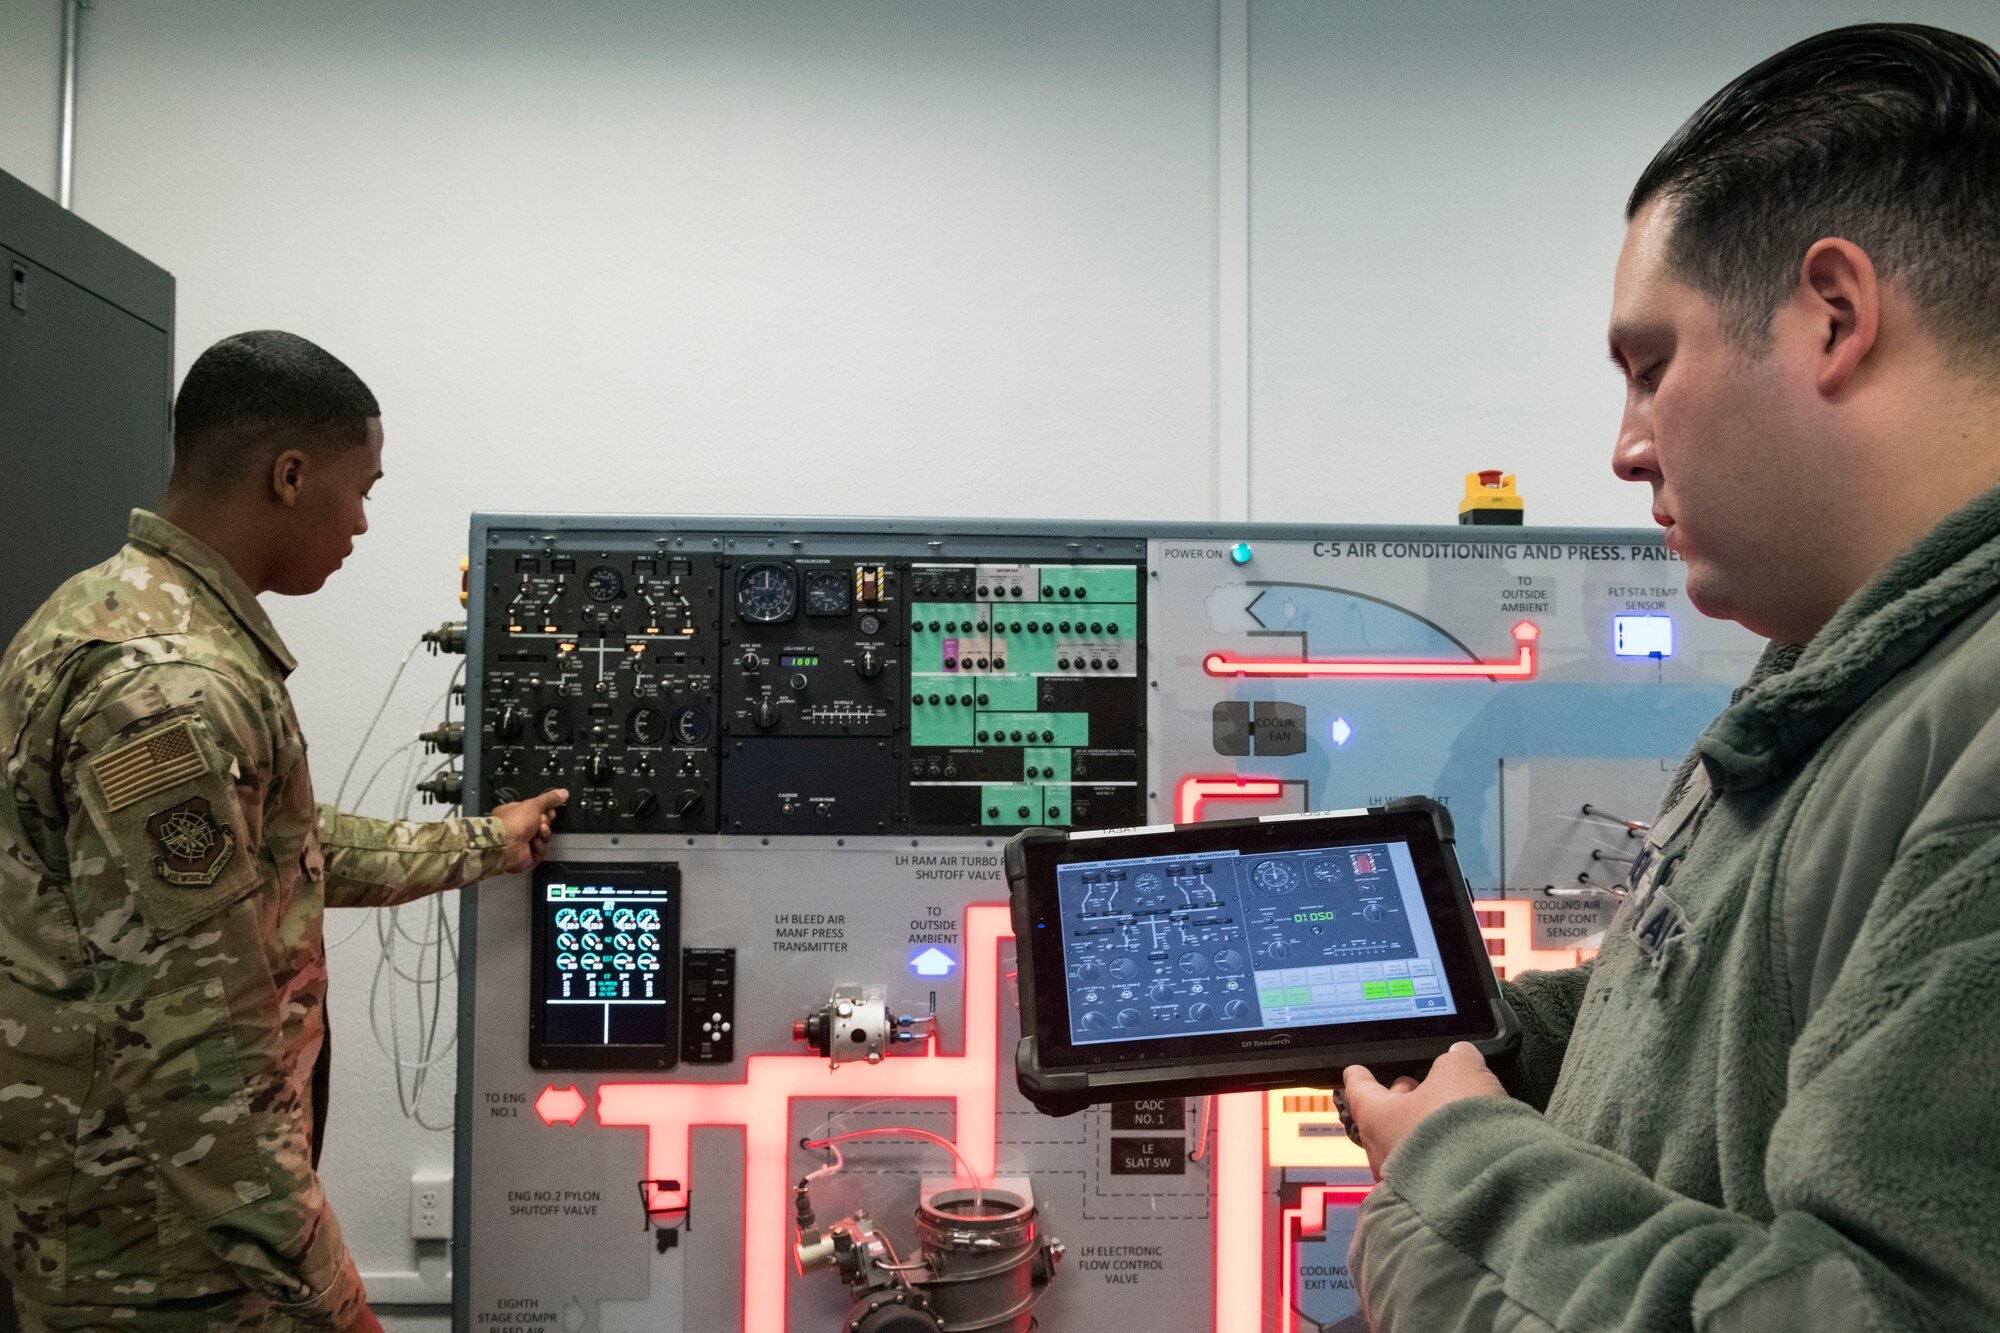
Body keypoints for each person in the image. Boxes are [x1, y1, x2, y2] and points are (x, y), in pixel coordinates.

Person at [1340, 22, 2000, 1332]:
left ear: (1834, 316)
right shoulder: (1840, 692)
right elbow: (1726, 1012)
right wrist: (1498, 1039)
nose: (1627, 448)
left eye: (1651, 368)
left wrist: (1458, 1165)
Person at [0, 330, 568, 1331]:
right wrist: (336, 1306)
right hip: (161, 1261)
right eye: (362, 489)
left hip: (133, 1223)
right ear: (290, 475)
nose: (360, 522)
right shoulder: (174, 690)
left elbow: (280, 854)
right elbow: (199, 1060)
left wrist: (487, 841)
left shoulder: (102, 610)